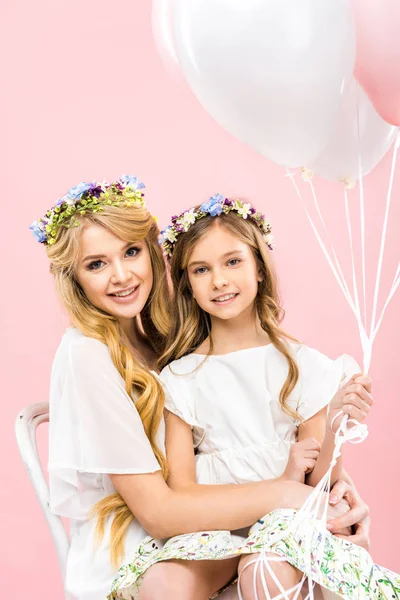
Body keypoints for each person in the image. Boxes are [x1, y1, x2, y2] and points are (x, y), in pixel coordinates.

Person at [30, 179, 371, 600]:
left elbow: (273, 434)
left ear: (154, 253)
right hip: (145, 540)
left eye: (132, 252)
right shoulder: (88, 355)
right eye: (96, 264)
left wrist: (338, 498)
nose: (121, 276)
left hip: (225, 525)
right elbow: (158, 512)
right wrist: (293, 496)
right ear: (74, 277)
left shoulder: (165, 340)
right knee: (179, 580)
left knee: (281, 564)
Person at [111, 193, 400, 599]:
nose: (220, 280)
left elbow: (320, 482)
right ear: (188, 285)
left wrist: (336, 422)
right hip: (213, 527)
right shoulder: (180, 378)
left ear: (259, 268)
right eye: (201, 269)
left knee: (264, 570)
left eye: (233, 261)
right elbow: (183, 489)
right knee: (161, 582)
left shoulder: (304, 366)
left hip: (286, 527)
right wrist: (277, 483)